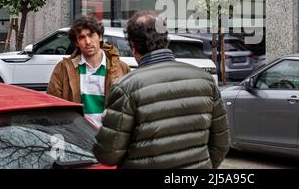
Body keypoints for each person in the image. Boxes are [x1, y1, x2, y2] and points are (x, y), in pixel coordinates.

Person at [93, 10, 229, 169]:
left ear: (133, 46)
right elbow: (221, 143)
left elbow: (108, 154)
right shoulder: (205, 80)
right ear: (166, 40)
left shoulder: (125, 88)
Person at [47, 15, 131, 128]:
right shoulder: (63, 69)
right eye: (81, 37)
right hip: (78, 139)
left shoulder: (122, 69)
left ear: (100, 37)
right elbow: (53, 108)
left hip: (110, 139)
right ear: (76, 43)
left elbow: (130, 110)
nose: (87, 41)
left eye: (91, 35)